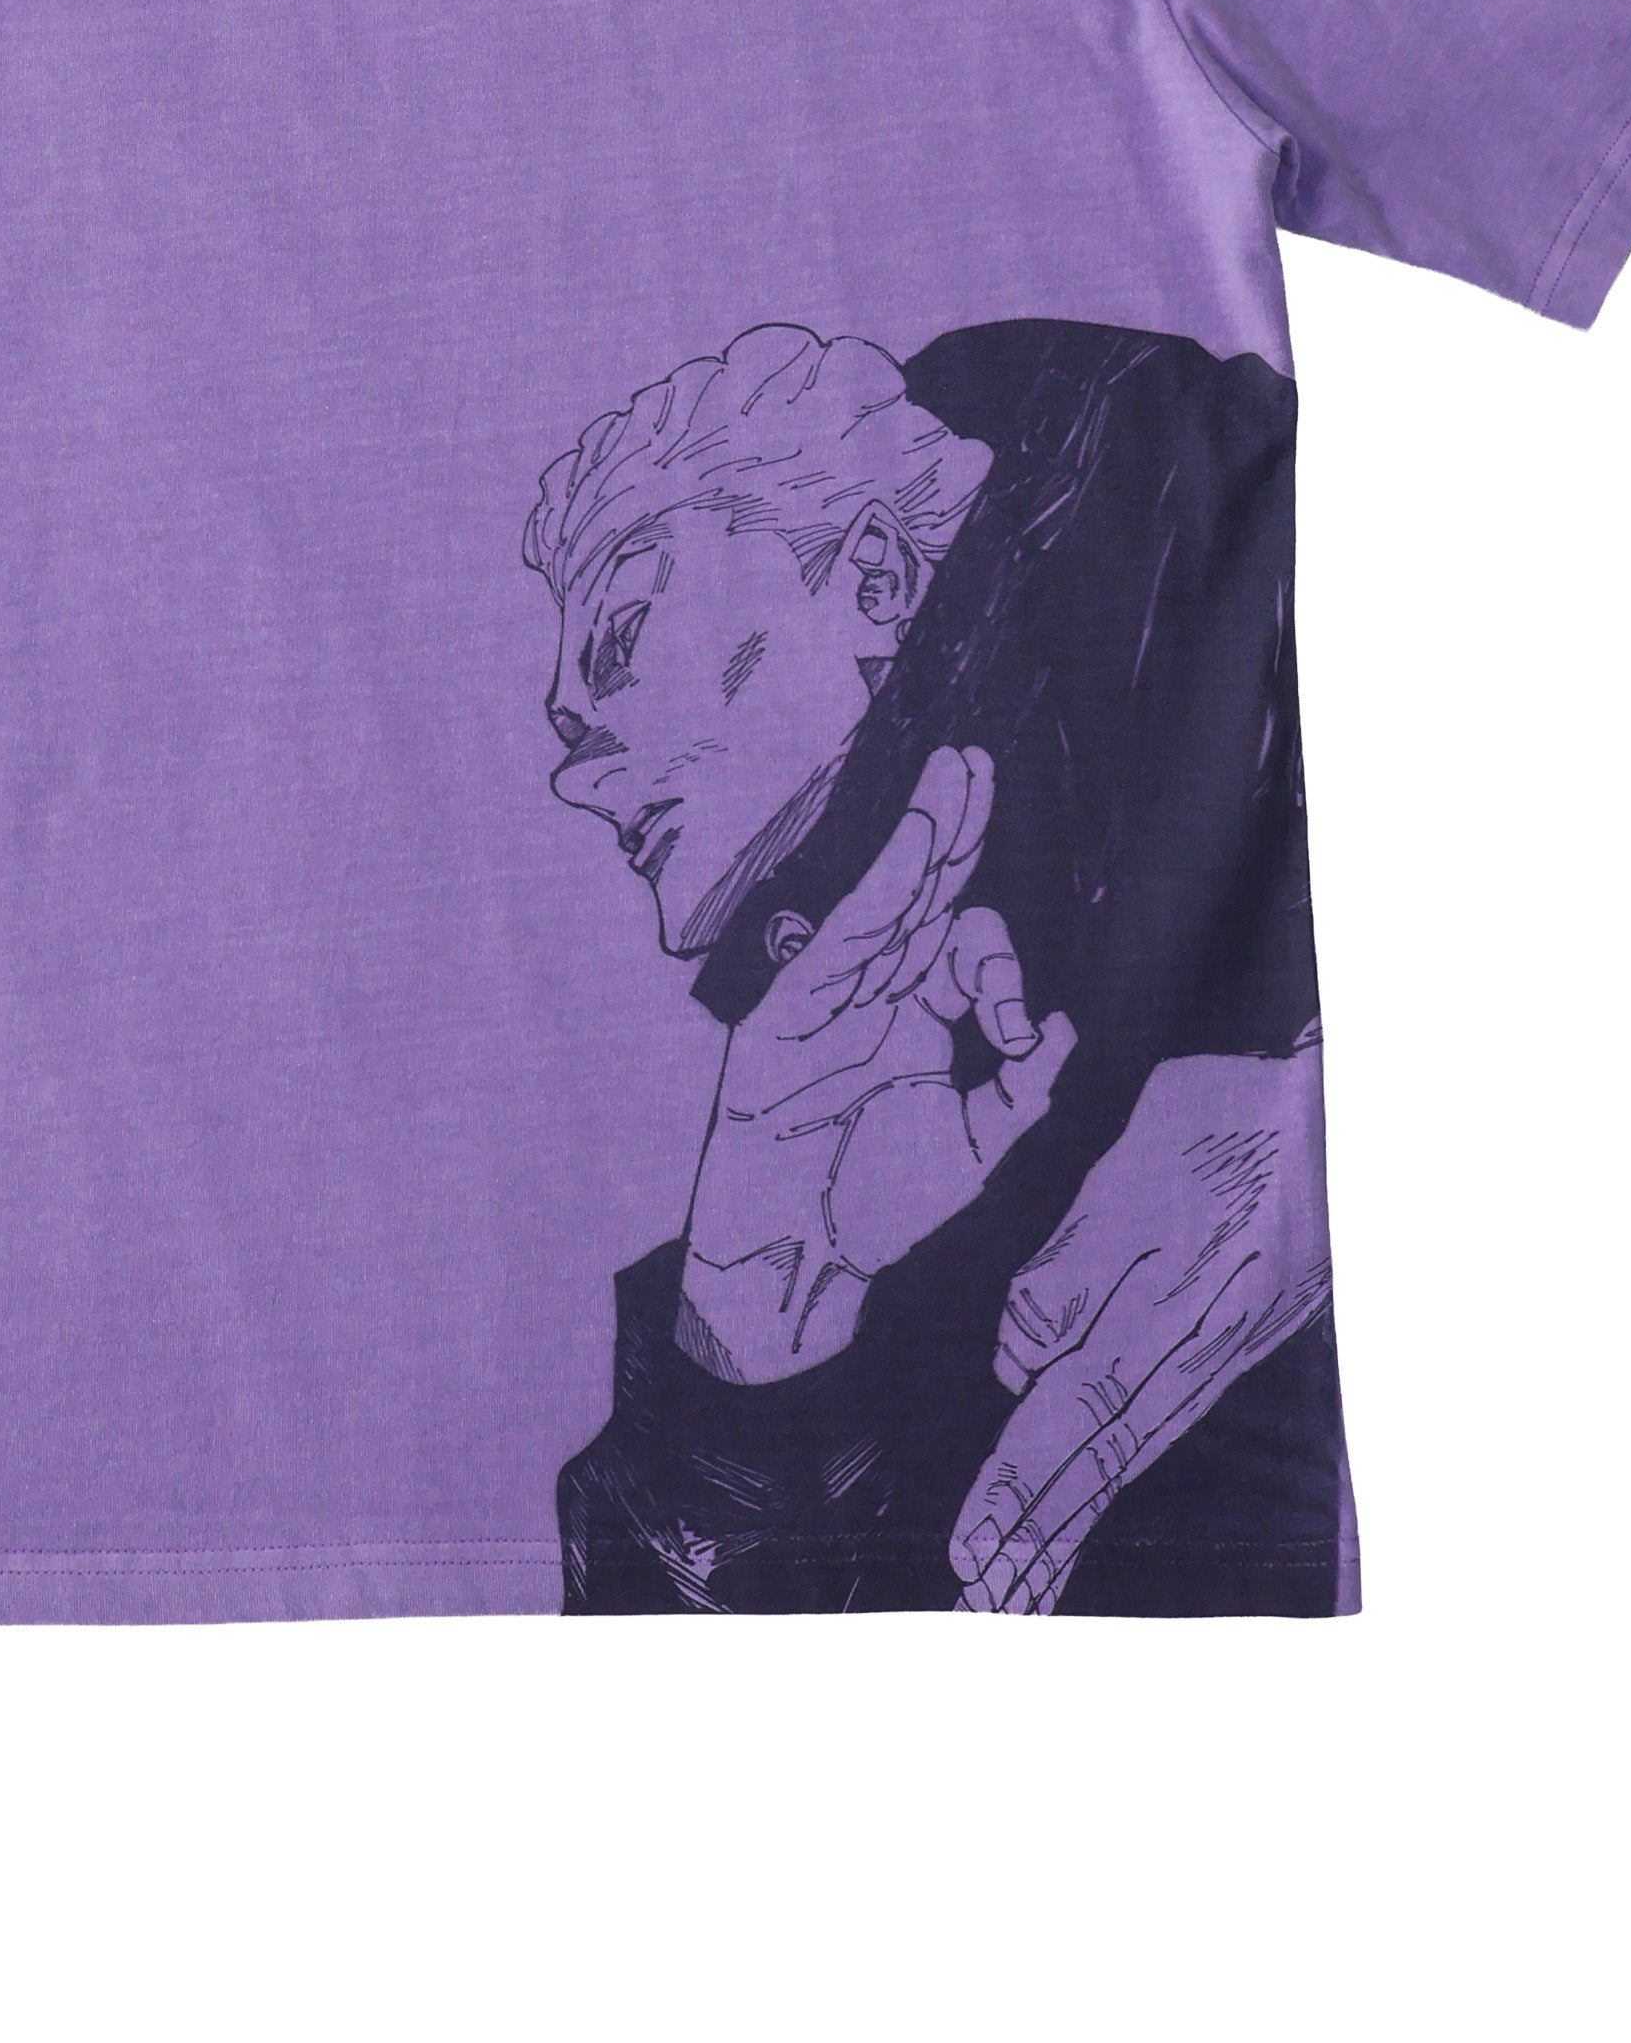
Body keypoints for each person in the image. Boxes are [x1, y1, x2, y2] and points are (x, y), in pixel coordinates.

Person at [525, 318, 1348, 1614]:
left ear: (871, 579)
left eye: (624, 640)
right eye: (574, 724)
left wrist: (1298, 1081)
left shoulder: (1185, 544)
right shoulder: (829, 1073)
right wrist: (739, 1353)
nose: (577, 775)